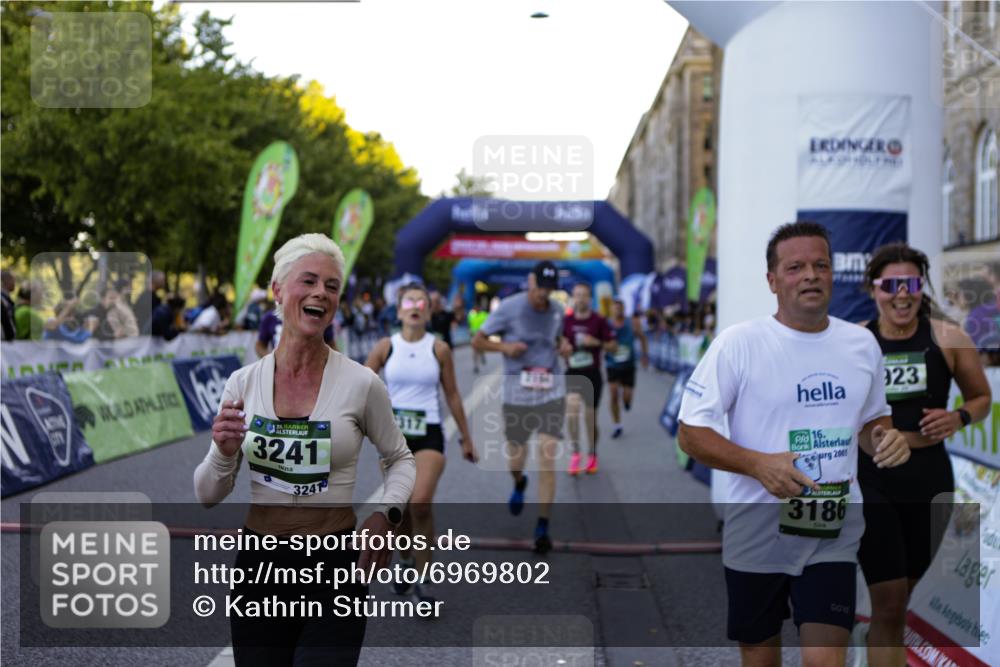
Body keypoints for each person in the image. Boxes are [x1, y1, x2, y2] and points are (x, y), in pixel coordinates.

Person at [677, 221, 910, 666]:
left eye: (821, 265)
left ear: (832, 274)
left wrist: (886, 438)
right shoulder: (738, 344)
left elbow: (872, 422)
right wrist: (758, 464)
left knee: (826, 659)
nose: (810, 275)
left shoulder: (861, 344)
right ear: (772, 281)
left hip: (832, 529)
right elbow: (691, 433)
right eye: (795, 267)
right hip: (756, 528)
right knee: (760, 655)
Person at [194, 233, 416, 666]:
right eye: (309, 281)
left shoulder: (361, 383)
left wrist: (386, 514)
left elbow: (400, 459)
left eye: (332, 286)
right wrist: (223, 452)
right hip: (260, 568)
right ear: (278, 290)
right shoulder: (242, 383)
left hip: (335, 567)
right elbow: (206, 494)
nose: (321, 293)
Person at [855, 242, 992, 666]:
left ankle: (873, 640)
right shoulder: (855, 341)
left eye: (911, 284)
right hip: (872, 477)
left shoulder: (948, 337)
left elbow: (981, 398)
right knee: (890, 600)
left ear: (922, 287)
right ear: (873, 288)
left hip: (929, 478)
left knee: (903, 597)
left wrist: (958, 418)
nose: (902, 294)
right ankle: (877, 637)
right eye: (891, 285)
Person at [365, 282, 477, 605]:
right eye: (408, 301)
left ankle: (424, 578)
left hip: (429, 433)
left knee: (421, 502)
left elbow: (452, 394)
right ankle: (405, 561)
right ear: (399, 311)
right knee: (400, 509)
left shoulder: (439, 349)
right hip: (393, 437)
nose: (415, 306)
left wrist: (466, 438)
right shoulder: (385, 347)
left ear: (428, 312)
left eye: (421, 302)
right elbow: (359, 385)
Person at [472, 261, 570, 554]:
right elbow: (478, 341)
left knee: (547, 457)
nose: (543, 295)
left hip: (551, 391)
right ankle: (519, 482)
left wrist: (565, 347)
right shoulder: (509, 308)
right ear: (530, 281)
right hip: (517, 395)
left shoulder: (556, 310)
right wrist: (505, 348)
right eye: (540, 288)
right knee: (516, 460)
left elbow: (558, 339)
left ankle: (542, 527)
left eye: (549, 290)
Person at [562, 282, 616, 475]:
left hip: (592, 374)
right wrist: (563, 348)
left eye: (584, 295)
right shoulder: (566, 321)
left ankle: (592, 453)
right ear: (573, 298)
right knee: (571, 411)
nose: (581, 299)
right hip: (573, 372)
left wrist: (597, 343)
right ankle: (575, 453)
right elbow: (558, 344)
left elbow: (613, 346)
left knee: (590, 418)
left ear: (590, 299)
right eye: (577, 295)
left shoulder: (599, 320)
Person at [605, 298, 650, 439]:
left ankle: (627, 402)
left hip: (628, 365)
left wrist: (644, 355)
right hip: (612, 364)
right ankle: (617, 425)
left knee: (627, 397)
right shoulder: (606, 324)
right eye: (615, 307)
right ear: (611, 309)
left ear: (623, 309)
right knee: (613, 394)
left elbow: (642, 338)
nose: (617, 310)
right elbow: (600, 341)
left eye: (620, 308)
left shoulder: (632, 323)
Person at [257, 302, 336, 357]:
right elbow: (260, 345)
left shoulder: (321, 317)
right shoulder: (269, 318)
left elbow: (332, 346)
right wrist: (273, 361)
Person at [133, 270, 165, 335]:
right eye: (162, 280)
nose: (164, 282)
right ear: (154, 281)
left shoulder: (150, 297)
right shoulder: (148, 298)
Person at [467, 295, 490, 374]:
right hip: (474, 335)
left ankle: (482, 355)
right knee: (475, 350)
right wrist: (469, 330)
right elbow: (469, 324)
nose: (475, 309)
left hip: (482, 335)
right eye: (474, 308)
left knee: (481, 348)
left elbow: (488, 324)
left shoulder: (484, 314)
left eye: (477, 308)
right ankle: (475, 366)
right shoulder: (471, 315)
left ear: (479, 308)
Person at [1, 269, 16, 341]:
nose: (14, 283)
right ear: (6, 281)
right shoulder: (2, 299)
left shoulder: (6, 299)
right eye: (13, 280)